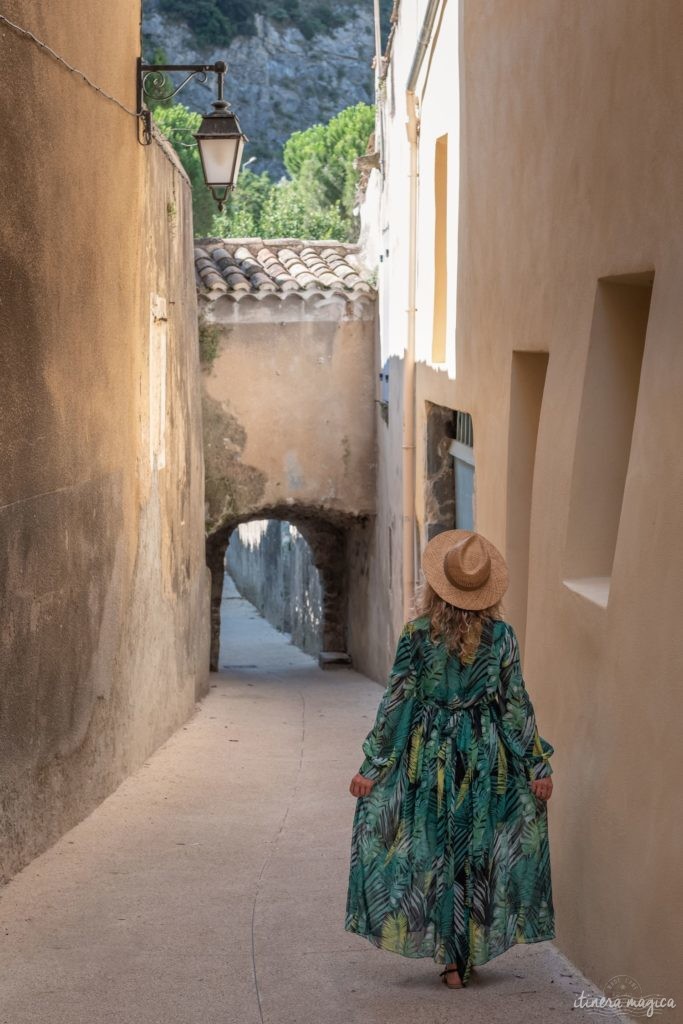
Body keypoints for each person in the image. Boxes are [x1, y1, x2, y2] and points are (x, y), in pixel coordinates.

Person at [344, 529, 555, 989]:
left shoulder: (417, 635)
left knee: (436, 850)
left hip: (431, 755)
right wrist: (536, 766)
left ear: (436, 587)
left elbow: (397, 702)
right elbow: (514, 704)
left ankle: (451, 960)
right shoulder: (502, 636)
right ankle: (464, 955)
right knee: (476, 850)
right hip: (484, 755)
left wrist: (374, 767)